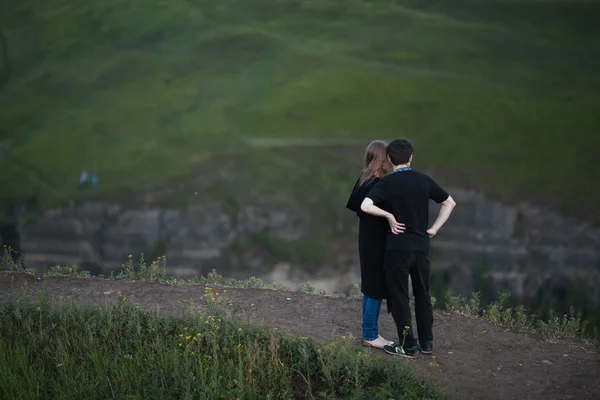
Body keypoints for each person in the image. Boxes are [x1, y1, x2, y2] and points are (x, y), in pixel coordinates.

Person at [361, 139, 456, 357]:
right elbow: (449, 202)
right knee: (423, 294)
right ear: (411, 157)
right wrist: (434, 229)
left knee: (400, 297)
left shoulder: (387, 184)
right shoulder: (424, 180)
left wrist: (388, 215)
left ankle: (408, 344)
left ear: (390, 159)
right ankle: (427, 342)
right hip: (421, 247)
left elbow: (365, 205)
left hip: (397, 250)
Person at [346, 140, 405, 349]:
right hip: (377, 242)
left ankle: (368, 330)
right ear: (384, 158)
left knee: (369, 286)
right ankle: (370, 335)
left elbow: (355, 206)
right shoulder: (380, 184)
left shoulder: (364, 180)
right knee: (375, 288)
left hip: (366, 239)